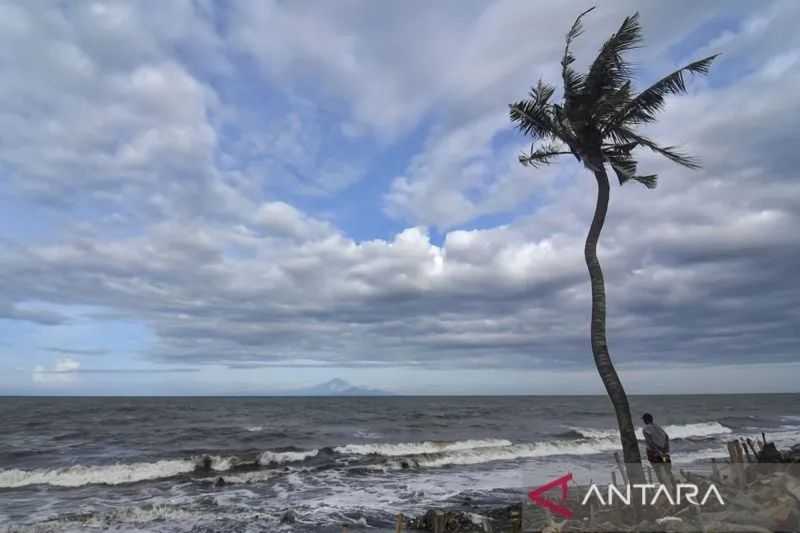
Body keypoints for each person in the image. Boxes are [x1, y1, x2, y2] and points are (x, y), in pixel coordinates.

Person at [642, 413, 673, 489]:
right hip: (664, 453)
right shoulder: (658, 427)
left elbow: (650, 443)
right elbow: (666, 437)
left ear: (645, 420)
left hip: (654, 454)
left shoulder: (645, 429)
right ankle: (673, 486)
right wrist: (665, 450)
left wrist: (658, 452)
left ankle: (664, 488)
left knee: (658, 471)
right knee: (667, 470)